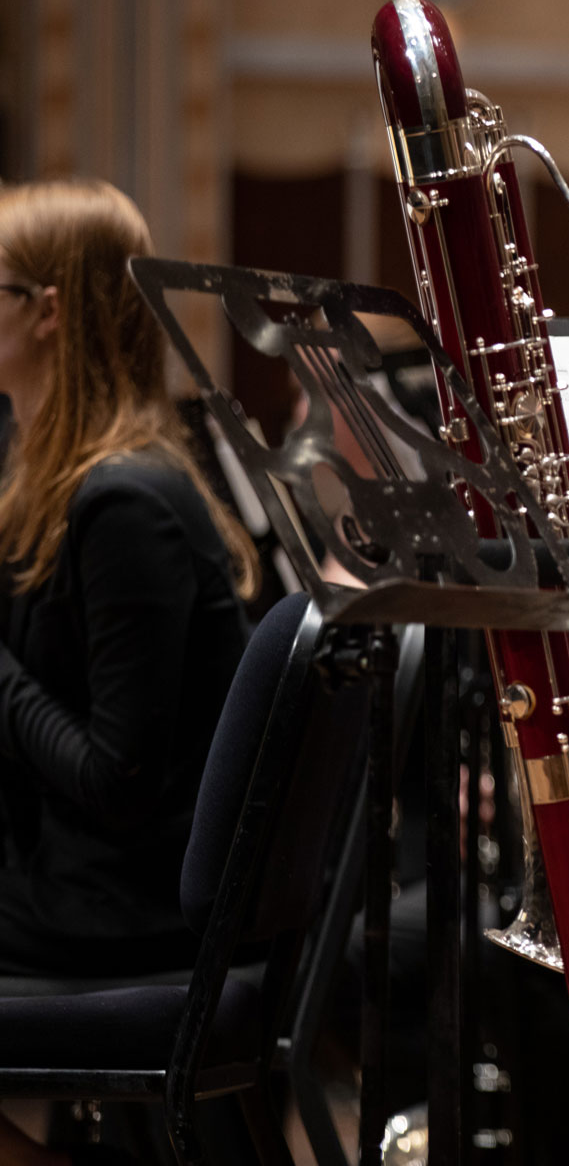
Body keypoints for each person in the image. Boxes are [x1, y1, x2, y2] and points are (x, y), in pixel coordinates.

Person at [0, 180, 255, 1166]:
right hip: (76, 880)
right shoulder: (56, 480)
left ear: (47, 312)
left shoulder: (124, 505)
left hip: (121, 910)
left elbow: (118, 779)